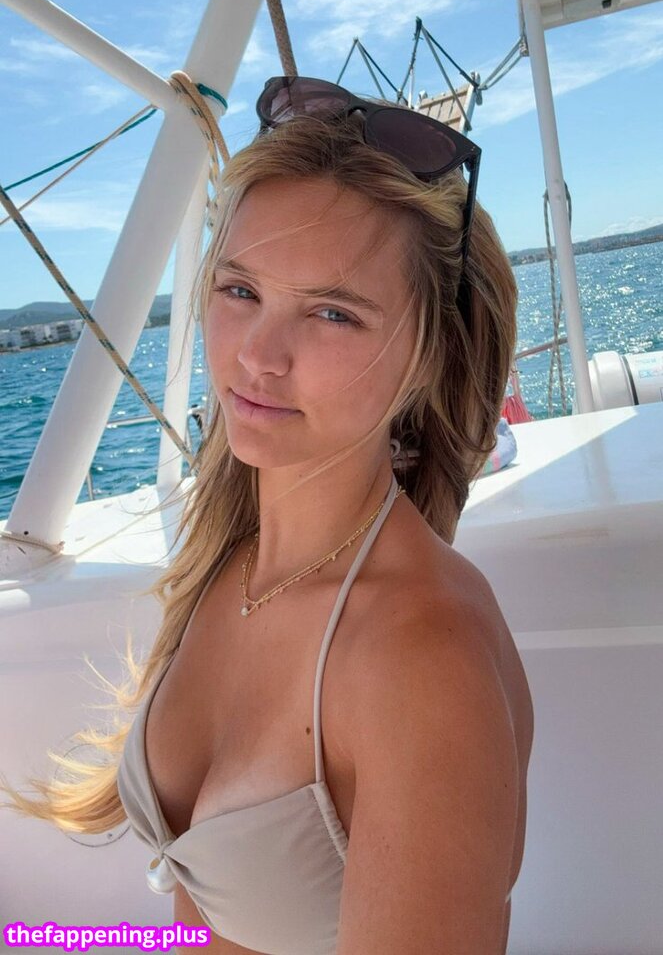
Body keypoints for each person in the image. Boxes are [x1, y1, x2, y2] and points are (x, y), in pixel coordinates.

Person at [1, 76, 534, 954]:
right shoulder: (229, 562)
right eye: (240, 290)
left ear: (427, 352)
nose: (256, 356)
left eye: (332, 312)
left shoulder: (417, 657)